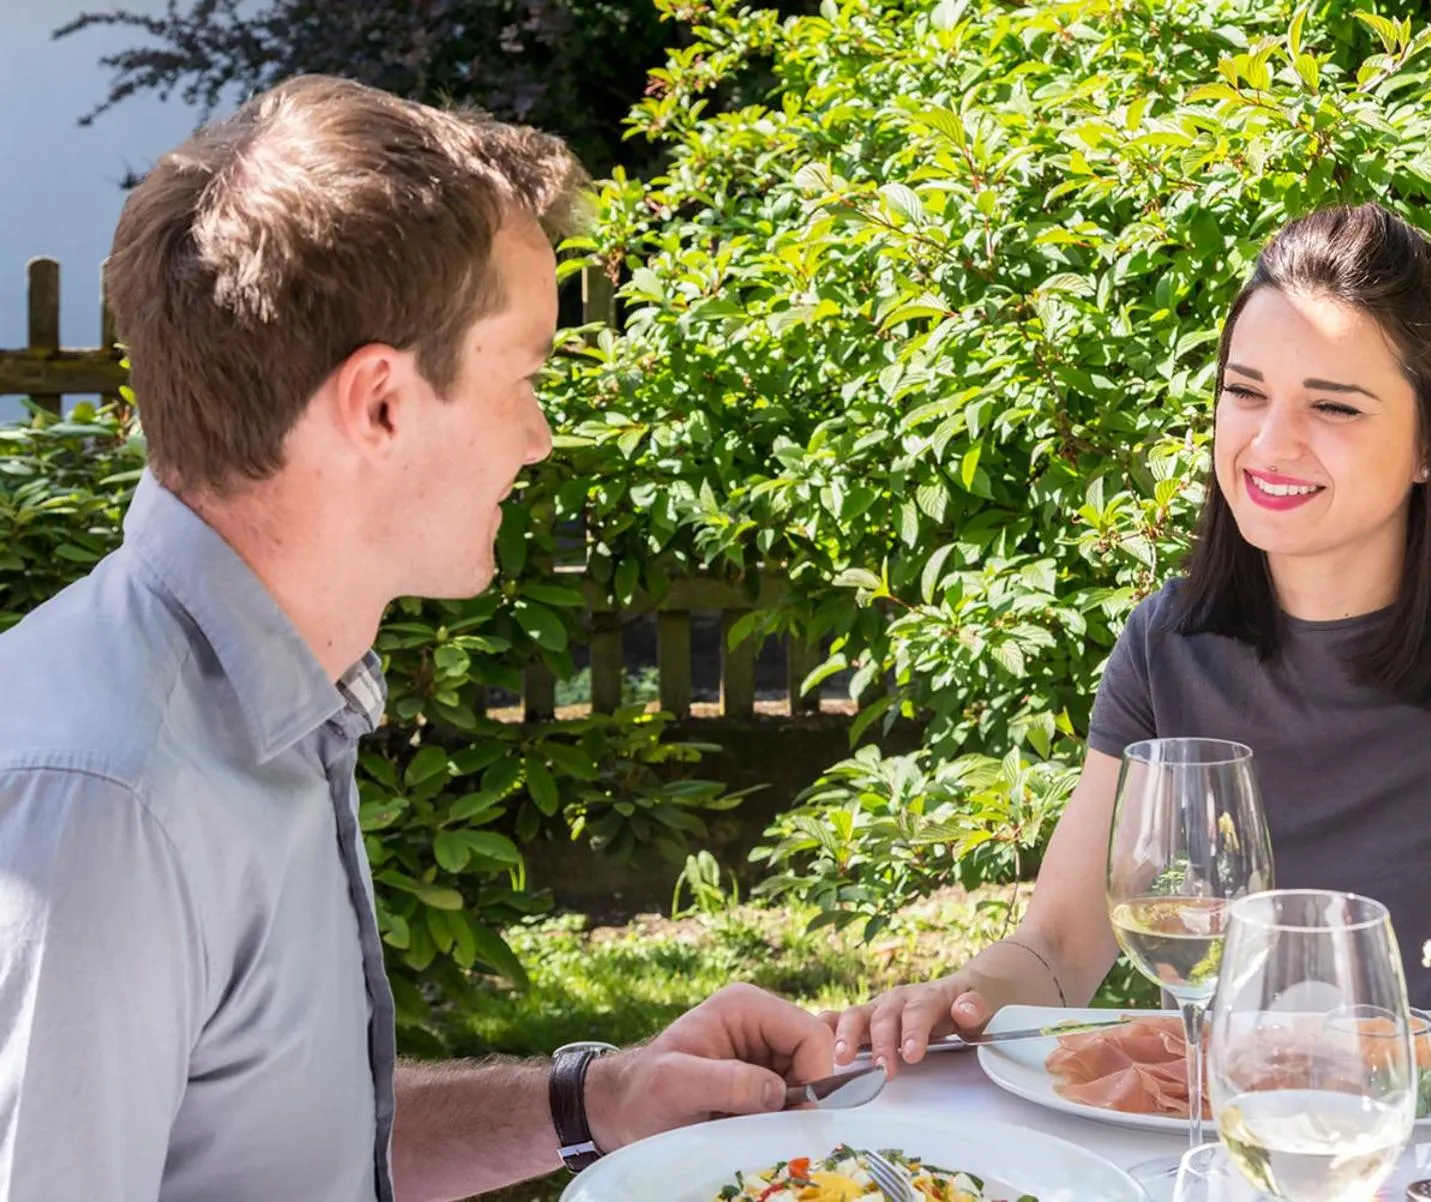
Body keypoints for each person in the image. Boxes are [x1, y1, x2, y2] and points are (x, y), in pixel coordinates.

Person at [0, 76, 833, 1202]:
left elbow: (271, 1148)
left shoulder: (267, 698)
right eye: (527, 374)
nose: (538, 438)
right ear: (381, 403)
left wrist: (598, 1099)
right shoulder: (108, 799)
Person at [828, 202, 1431, 1080]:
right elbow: (1062, 946)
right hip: (1232, 1135)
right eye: (1244, 392)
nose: (1269, 443)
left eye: (1334, 407)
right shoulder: (1168, 643)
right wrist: (963, 994)